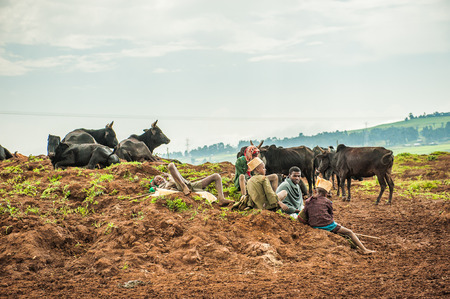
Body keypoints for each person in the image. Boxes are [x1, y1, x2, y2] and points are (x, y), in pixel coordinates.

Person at [303, 177, 375, 254]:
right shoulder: (327, 201)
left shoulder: (308, 201)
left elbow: (306, 213)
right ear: (326, 193)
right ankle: (364, 250)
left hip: (313, 225)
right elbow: (330, 216)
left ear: (315, 191)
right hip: (327, 225)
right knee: (349, 232)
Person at [149, 163, 234, 207]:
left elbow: (173, 179)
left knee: (216, 176)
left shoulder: (171, 178)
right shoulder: (163, 186)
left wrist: (169, 176)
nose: (159, 180)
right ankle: (184, 187)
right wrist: (169, 176)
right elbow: (171, 183)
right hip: (181, 186)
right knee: (170, 165)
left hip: (189, 184)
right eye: (157, 181)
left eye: (160, 178)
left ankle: (221, 199)